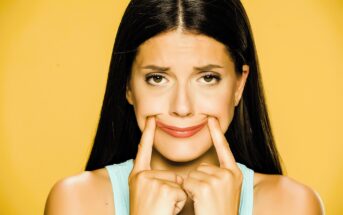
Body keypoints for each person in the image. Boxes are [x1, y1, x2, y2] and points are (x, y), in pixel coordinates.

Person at [44, 0, 325, 214]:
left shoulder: (293, 204)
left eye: (207, 78)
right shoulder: (75, 201)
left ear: (239, 85)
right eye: (157, 78)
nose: (181, 107)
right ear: (128, 85)